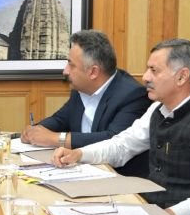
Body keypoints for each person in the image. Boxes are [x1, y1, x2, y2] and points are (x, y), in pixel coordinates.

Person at [52, 38, 190, 215]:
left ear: (182, 77)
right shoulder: (157, 109)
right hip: (147, 208)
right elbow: (122, 146)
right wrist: (79, 154)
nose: (145, 77)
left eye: (154, 70)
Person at [21, 30, 150, 177]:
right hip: (79, 170)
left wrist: (55, 139)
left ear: (93, 72)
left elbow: (113, 139)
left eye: (71, 65)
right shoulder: (81, 88)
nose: (65, 71)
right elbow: (61, 119)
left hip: (117, 177)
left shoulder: (132, 95)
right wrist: (36, 130)